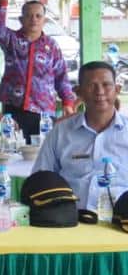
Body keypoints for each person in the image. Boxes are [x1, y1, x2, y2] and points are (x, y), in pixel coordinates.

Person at [32, 61, 128, 210]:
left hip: (121, 219)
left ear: (117, 89)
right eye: (92, 85)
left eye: (106, 85)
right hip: (71, 217)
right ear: (78, 92)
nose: (100, 92)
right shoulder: (61, 132)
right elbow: (41, 179)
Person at [0, 0, 76, 143]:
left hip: (44, 112)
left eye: (38, 16)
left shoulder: (52, 46)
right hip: (14, 109)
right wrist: (3, 0)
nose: (34, 19)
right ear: (21, 20)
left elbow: (61, 77)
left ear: (44, 20)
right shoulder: (11, 41)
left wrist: (67, 102)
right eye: (29, 16)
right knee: (13, 149)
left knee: (42, 151)